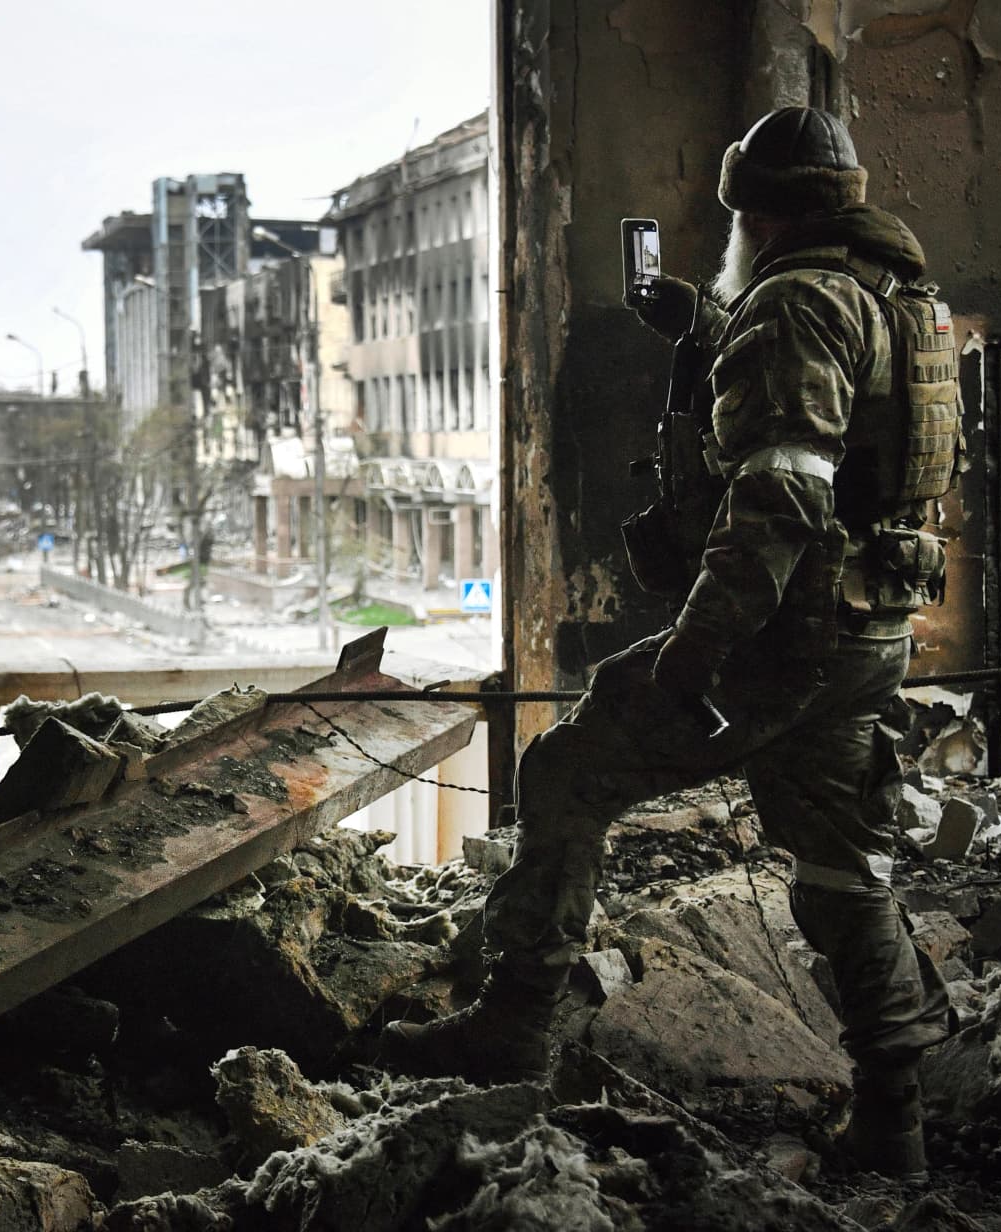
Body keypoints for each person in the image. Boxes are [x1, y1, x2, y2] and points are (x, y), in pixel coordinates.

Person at [381, 107, 960, 1178]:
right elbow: (849, 439)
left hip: (777, 644)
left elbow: (781, 497)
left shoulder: (792, 305)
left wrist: (693, 653)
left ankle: (511, 1028)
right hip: (866, 633)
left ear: (755, 214)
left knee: (565, 772)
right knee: (841, 866)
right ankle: (896, 1120)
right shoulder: (898, 299)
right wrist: (704, 325)